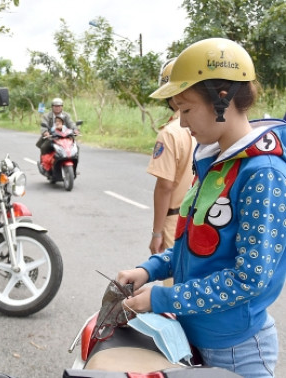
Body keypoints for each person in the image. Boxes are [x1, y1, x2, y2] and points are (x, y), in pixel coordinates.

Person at [117, 38, 286, 377]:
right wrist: (150, 270)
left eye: (186, 109)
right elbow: (195, 247)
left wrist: (161, 299)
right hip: (195, 335)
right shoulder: (215, 162)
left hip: (237, 349)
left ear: (221, 99)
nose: (180, 122)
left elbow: (249, 278)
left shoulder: (261, 173)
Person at [146, 58, 195, 265]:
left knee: (176, 283)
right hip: (203, 219)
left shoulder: (170, 133)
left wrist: (157, 232)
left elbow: (165, 186)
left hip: (176, 221)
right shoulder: (213, 128)